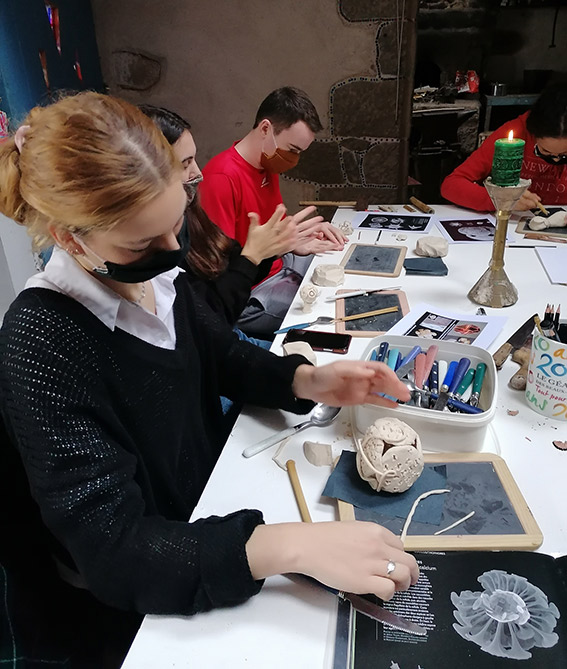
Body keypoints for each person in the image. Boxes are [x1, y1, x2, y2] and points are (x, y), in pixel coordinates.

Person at [0, 92, 417, 666]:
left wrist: (308, 381)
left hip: (201, 510)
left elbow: (220, 355)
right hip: (129, 607)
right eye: (145, 243)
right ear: (72, 239)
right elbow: (114, 550)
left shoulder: (160, 278)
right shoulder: (43, 340)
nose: (174, 254)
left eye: (177, 223)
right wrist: (288, 544)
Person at [200, 86, 347, 338]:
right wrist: (282, 245)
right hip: (250, 291)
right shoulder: (221, 178)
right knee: (328, 315)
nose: (293, 159)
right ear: (266, 128)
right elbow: (219, 269)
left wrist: (299, 236)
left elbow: (274, 231)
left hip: (277, 266)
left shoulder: (267, 165)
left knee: (338, 257)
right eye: (292, 150)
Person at [441, 82, 567, 212]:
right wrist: (499, 200)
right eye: (545, 151)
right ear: (532, 133)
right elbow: (452, 185)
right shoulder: (516, 133)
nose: (556, 160)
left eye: (564, 154)